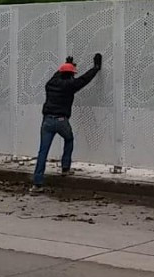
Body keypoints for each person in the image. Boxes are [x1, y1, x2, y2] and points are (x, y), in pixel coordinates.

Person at [30, 53, 102, 192]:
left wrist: (67, 64)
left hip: (47, 121)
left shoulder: (50, 84)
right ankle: (65, 167)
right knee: (69, 139)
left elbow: (59, 74)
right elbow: (84, 79)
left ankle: (37, 183)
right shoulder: (71, 85)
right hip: (62, 121)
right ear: (71, 75)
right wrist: (96, 68)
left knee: (43, 151)